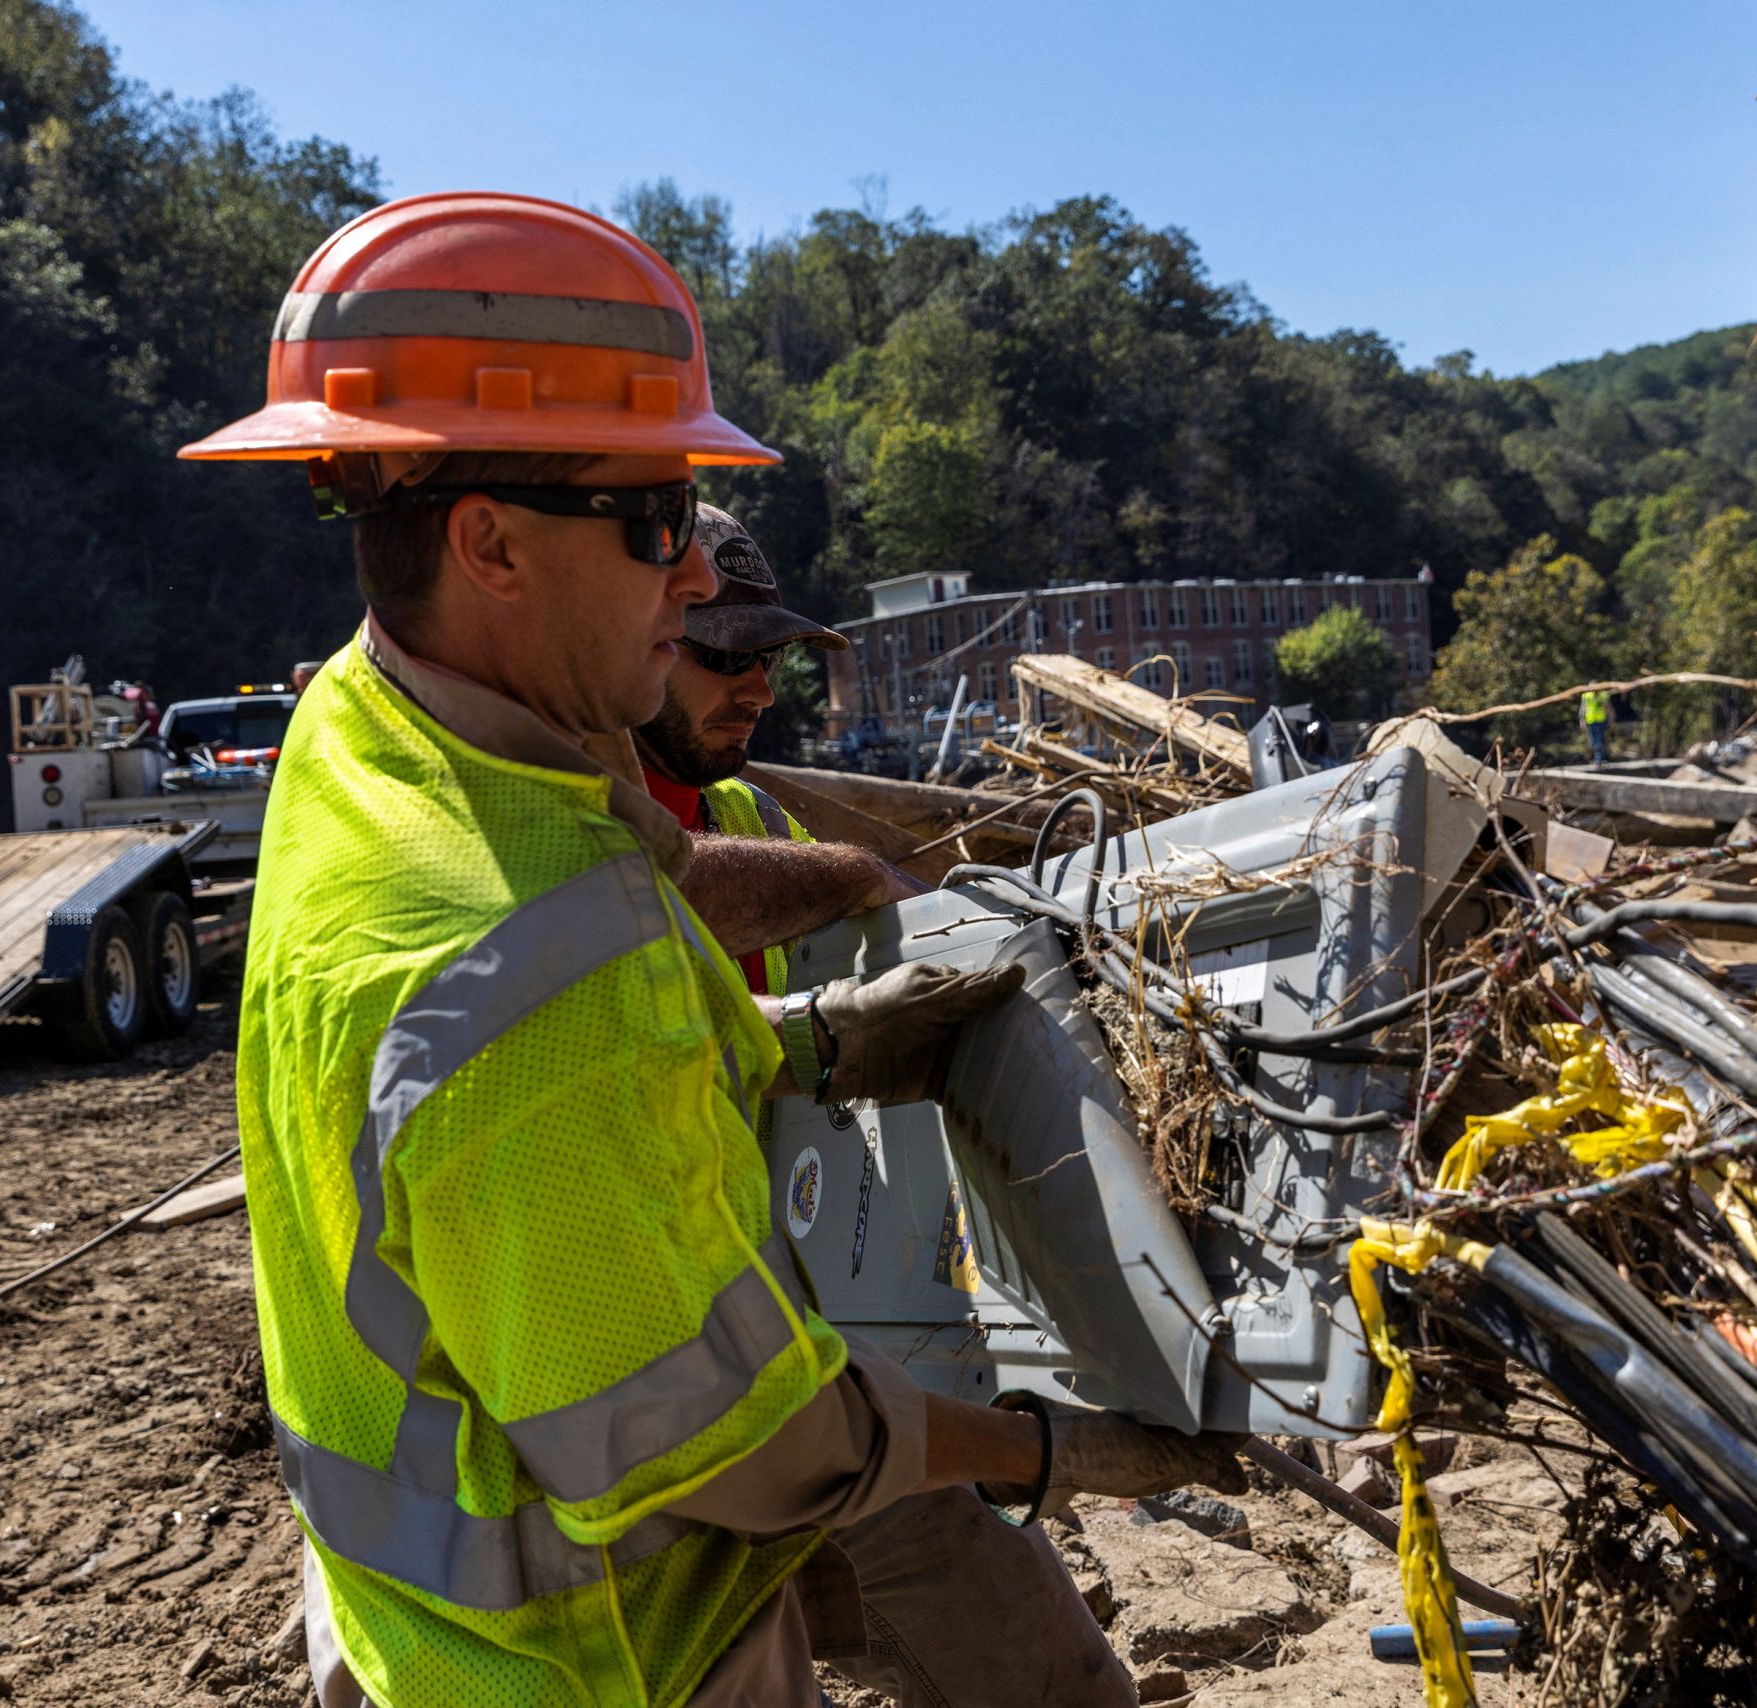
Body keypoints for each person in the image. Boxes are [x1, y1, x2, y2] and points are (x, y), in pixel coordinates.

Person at [182, 192, 1244, 1708]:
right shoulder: (544, 975)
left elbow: (620, 919)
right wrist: (1049, 1446)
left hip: (415, 1626)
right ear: (486, 542)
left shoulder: (361, 737)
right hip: (606, 1660)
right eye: (660, 521)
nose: (695, 585)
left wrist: (800, 1041)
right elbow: (739, 1445)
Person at [634, 504, 896, 995]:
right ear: (630, 640)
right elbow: (630, 893)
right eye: (727, 656)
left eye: (770, 658)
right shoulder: (554, 824)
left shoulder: (756, 817)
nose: (762, 692)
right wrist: (857, 877)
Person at [1580, 685, 1611, 764]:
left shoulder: (1603, 695)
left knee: (1598, 740)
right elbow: (1582, 708)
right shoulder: (1586, 696)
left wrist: (1611, 719)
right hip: (1590, 721)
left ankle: (1599, 759)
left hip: (1601, 721)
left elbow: (1608, 708)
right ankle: (1601, 758)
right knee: (1593, 741)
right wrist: (1582, 720)